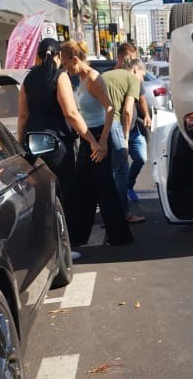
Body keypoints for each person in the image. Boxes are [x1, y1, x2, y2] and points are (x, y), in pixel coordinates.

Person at [17, 38, 104, 257]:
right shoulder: (60, 76)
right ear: (57, 56)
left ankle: (43, 247)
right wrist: (91, 139)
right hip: (56, 145)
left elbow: (23, 115)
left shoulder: (28, 79)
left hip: (33, 143)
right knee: (64, 194)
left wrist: (21, 144)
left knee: (40, 197)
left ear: (38, 55)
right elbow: (71, 113)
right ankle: (65, 248)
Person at [60, 40, 133, 246]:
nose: (66, 69)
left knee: (103, 187)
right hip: (88, 138)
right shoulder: (82, 78)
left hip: (98, 135)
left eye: (67, 64)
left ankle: (118, 236)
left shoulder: (93, 78)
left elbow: (110, 109)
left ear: (75, 60)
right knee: (84, 186)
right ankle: (79, 235)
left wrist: (101, 142)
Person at [100, 57, 146, 223]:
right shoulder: (132, 79)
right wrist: (125, 137)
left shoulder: (107, 75)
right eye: (143, 75)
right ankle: (123, 213)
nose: (142, 80)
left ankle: (110, 211)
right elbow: (127, 111)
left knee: (109, 170)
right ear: (135, 70)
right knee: (121, 170)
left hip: (98, 124)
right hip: (115, 124)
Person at [115, 43, 150, 203]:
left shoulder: (135, 77)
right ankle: (119, 200)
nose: (133, 60)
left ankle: (128, 185)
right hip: (118, 129)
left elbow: (141, 98)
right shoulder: (112, 76)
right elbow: (125, 109)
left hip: (134, 128)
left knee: (141, 157)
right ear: (121, 57)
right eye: (130, 57)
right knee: (120, 167)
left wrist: (147, 115)